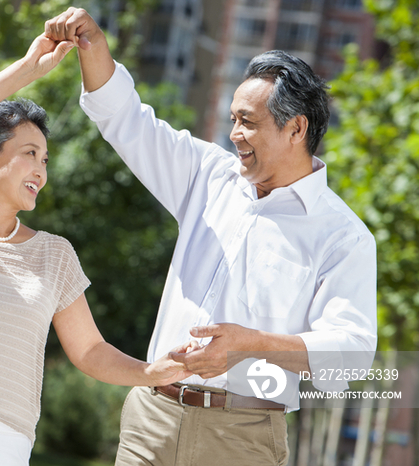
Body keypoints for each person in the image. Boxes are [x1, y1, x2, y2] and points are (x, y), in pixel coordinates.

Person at [45, 7, 377, 466]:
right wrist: (95, 48)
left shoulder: (343, 237)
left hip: (244, 439)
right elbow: (128, 122)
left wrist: (248, 344)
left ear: (296, 128)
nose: (234, 133)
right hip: (152, 418)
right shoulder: (208, 174)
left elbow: (351, 355)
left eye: (248, 121)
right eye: (233, 119)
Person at [0, 31, 197, 466]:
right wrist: (28, 70)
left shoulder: (54, 255)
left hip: (3, 445)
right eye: (28, 153)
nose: (40, 171)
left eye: (44, 159)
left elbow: (89, 351)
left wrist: (149, 372)